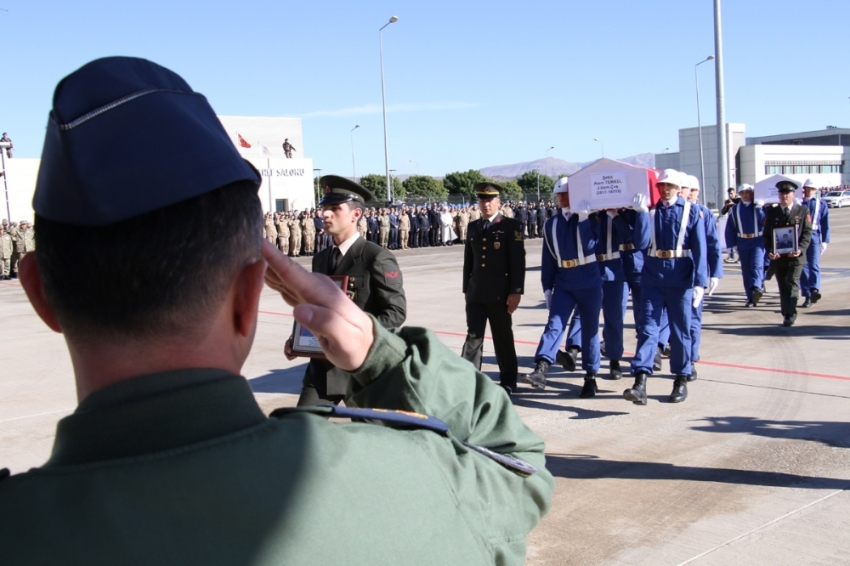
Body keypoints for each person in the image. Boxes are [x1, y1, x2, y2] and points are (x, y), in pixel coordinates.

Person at [0, 57, 553, 565]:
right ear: (249, 294)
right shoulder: (411, 479)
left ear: (41, 294)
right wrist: (380, 359)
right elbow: (518, 469)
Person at [290, 175, 407, 406]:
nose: (325, 214)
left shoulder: (376, 257)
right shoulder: (321, 259)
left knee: (368, 439)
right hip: (323, 369)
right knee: (303, 430)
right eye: (324, 207)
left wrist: (356, 335)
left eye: (335, 208)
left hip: (363, 369)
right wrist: (298, 339)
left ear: (356, 214)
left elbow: (395, 312)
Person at [624, 170, 706, 405]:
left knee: (681, 331)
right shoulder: (650, 212)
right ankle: (640, 381)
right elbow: (639, 243)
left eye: (669, 185)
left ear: (678, 188)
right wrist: (640, 215)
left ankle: (680, 378)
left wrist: (700, 281)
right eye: (661, 185)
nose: (665, 189)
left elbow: (700, 248)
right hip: (653, 276)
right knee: (648, 328)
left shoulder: (691, 211)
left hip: (680, 277)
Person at [523, 178, 602, 396]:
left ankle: (590, 377)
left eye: (565, 194)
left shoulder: (591, 219)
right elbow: (548, 257)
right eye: (558, 195)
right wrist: (547, 287)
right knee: (554, 324)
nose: (561, 199)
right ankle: (541, 368)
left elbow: (592, 246)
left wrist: (585, 220)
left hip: (589, 280)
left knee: (590, 330)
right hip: (564, 281)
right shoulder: (551, 224)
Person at [461, 182, 526, 395]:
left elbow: (517, 261)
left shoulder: (510, 226)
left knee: (502, 337)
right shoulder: (473, 227)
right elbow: (468, 261)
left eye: (489, 200)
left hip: (500, 294)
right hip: (476, 292)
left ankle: (508, 381)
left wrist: (516, 291)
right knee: (473, 337)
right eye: (482, 200)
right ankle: (468, 382)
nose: (485, 204)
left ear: (498, 202)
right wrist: (466, 289)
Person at [685, 176, 722, 380]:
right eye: (686, 189)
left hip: (695, 272)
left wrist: (714, 272)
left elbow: (713, 244)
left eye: (693, 190)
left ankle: (690, 359)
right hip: (674, 273)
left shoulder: (704, 214)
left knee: (693, 318)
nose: (689, 193)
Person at [764, 180, 812, 327]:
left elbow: (807, 233)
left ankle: (790, 314)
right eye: (782, 193)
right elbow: (767, 236)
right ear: (778, 196)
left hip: (796, 257)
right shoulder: (772, 213)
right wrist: (770, 252)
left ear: (793, 195)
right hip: (779, 257)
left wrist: (801, 249)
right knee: (782, 285)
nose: (784, 196)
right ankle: (786, 312)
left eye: (787, 193)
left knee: (791, 282)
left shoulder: (803, 211)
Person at [724, 184, 766, 307]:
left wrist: (759, 208)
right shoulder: (735, 209)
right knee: (746, 270)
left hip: (758, 240)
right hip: (742, 242)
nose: (745, 195)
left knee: (757, 265)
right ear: (739, 194)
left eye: (748, 192)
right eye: (742, 192)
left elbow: (764, 221)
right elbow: (730, 228)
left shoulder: (758, 207)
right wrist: (731, 245)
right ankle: (751, 298)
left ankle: (757, 287)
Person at [799, 179, 829, 308]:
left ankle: (814, 289)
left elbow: (825, 223)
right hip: (800, 237)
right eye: (807, 188)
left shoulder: (821, 204)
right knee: (803, 266)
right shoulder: (798, 203)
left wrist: (825, 241)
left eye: (812, 189)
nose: (809, 191)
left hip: (814, 235)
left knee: (814, 264)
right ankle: (807, 295)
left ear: (815, 190)